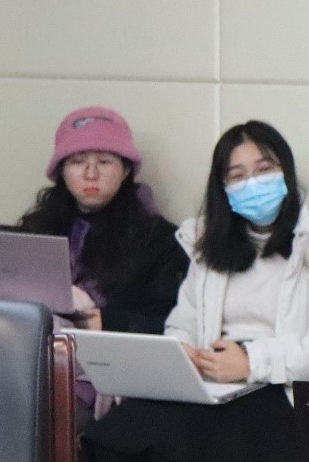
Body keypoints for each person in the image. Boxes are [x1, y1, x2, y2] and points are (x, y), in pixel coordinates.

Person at [85, 119, 309, 462]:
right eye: (237, 176)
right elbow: (183, 321)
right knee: (115, 435)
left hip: (289, 393)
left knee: (181, 444)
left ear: (287, 173)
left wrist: (251, 362)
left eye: (264, 169)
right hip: (213, 385)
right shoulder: (211, 250)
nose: (252, 183)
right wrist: (185, 354)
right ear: (223, 188)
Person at [18, 106, 186, 430]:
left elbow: (170, 322)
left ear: (126, 170)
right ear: (60, 171)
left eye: (105, 162)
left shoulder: (159, 240)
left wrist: (103, 321)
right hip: (29, 364)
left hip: (102, 379)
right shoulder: (36, 228)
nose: (90, 174)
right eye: (77, 162)